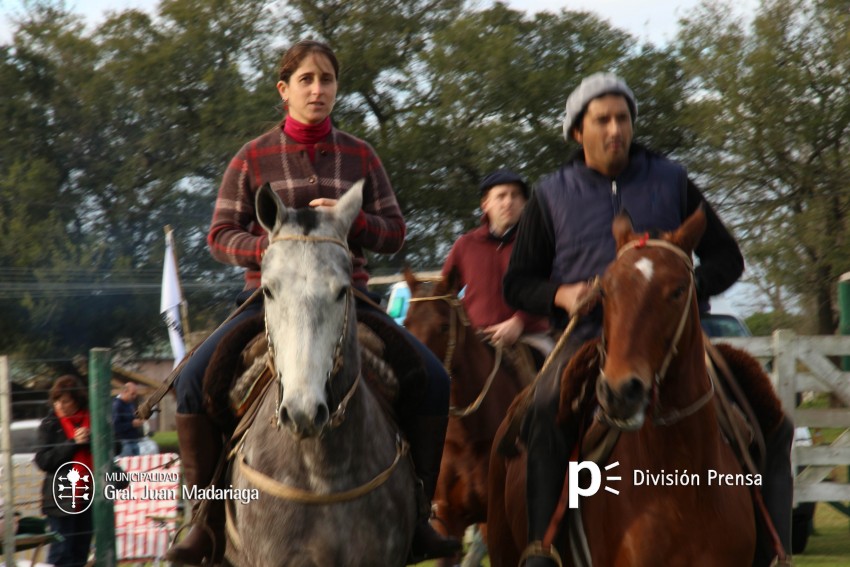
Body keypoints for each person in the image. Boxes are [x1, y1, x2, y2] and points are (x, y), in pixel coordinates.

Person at [166, 39, 460, 565]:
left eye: (326, 79)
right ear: (284, 90)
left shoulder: (362, 155)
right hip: (268, 298)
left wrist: (356, 222)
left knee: (434, 378)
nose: (317, 89)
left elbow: (395, 232)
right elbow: (218, 235)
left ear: (336, 88)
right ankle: (205, 520)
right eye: (306, 79)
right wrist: (273, 248)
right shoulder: (251, 155)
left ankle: (418, 515)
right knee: (191, 382)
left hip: (348, 297)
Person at [503, 72, 793, 566]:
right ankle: (539, 549)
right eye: (602, 120)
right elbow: (517, 283)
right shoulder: (551, 194)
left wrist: (687, 289)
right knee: (544, 409)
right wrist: (561, 294)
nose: (615, 129)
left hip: (676, 344)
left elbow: (727, 259)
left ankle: (772, 550)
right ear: (578, 131)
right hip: (592, 338)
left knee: (772, 421)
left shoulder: (672, 179)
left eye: (622, 118)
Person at [441, 169, 549, 355]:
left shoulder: (540, 242)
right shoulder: (465, 245)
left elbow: (552, 289)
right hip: (476, 340)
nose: (508, 202)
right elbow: (444, 294)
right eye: (500, 196)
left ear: (525, 203)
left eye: (515, 196)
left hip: (529, 336)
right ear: (485, 204)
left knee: (556, 375)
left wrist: (519, 322)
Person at [34, 375, 94, 567]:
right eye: (56, 400)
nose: (59, 405)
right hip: (60, 497)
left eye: (65, 400)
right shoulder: (50, 424)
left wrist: (91, 439)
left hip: (89, 494)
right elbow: (43, 460)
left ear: (77, 400)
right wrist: (73, 444)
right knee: (61, 552)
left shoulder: (94, 420)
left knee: (80, 551)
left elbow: (115, 447)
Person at [112, 382, 144, 457]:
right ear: (124, 392)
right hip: (124, 442)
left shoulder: (130, 404)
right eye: (132, 394)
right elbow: (115, 427)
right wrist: (132, 424)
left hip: (134, 441)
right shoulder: (117, 405)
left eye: (135, 394)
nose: (134, 397)